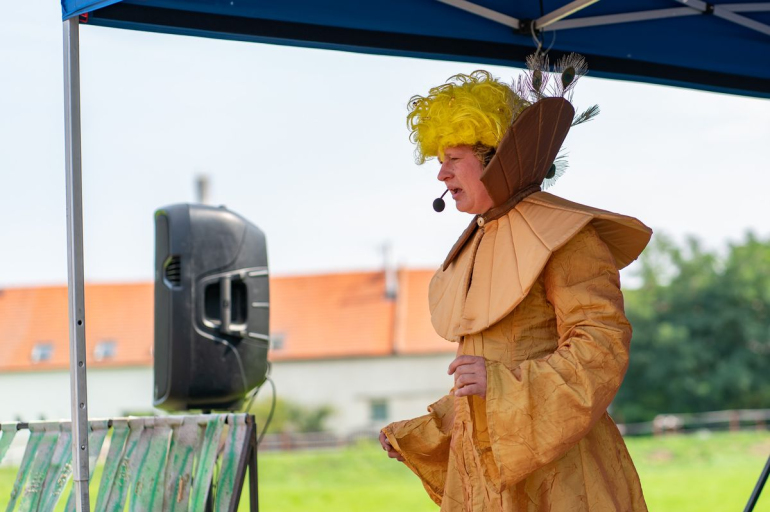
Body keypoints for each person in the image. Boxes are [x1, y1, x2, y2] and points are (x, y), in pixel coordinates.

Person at [379, 56, 652, 511]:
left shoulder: (567, 234)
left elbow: (602, 348)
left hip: (561, 478)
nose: (441, 175)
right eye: (440, 162)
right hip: (487, 481)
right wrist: (428, 431)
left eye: (453, 160)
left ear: (496, 159)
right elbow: (485, 376)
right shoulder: (477, 240)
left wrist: (502, 384)